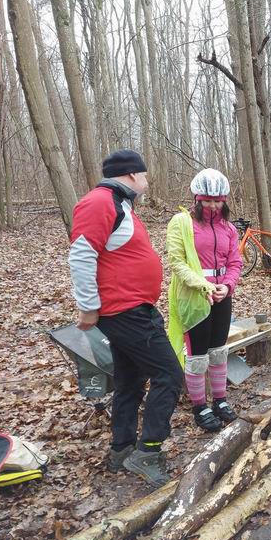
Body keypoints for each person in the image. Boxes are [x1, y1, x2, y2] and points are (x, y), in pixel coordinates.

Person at [68, 149, 183, 487]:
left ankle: (121, 449)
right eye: (145, 174)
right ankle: (147, 452)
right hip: (124, 311)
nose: (148, 180)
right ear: (132, 174)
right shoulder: (100, 202)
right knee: (169, 375)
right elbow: (82, 253)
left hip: (133, 309)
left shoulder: (121, 206)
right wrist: (88, 305)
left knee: (130, 380)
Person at [166, 168, 243, 432]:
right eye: (207, 201)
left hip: (222, 295)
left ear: (224, 200)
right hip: (194, 297)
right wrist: (204, 285)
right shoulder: (182, 223)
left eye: (217, 201)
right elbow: (177, 262)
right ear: (197, 199)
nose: (212, 205)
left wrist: (227, 285)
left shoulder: (229, 229)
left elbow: (235, 262)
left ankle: (220, 400)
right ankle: (200, 406)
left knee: (219, 352)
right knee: (197, 355)